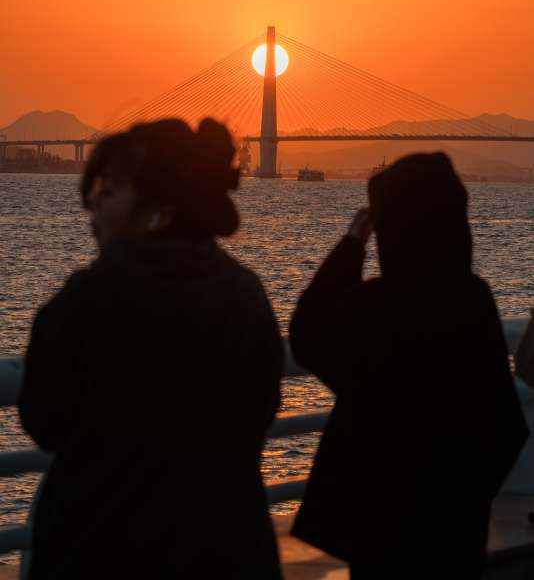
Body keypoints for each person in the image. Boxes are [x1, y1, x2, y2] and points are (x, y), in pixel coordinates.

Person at [19, 118, 283, 580]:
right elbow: (261, 408)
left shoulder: (92, 296)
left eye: (109, 188)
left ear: (155, 200)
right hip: (231, 544)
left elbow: (43, 418)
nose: (94, 203)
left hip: (101, 547)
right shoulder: (245, 293)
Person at [290, 152, 528, 579]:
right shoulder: (473, 302)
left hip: (381, 527)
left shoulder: (377, 307)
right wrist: (467, 496)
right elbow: (505, 423)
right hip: (455, 531)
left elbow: (309, 332)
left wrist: (352, 242)